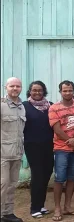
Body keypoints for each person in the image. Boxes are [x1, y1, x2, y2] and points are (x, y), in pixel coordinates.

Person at [48, 80, 74, 221]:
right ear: (60, 91)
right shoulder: (54, 108)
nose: (67, 93)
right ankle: (58, 209)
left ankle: (68, 206)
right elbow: (57, 128)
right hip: (61, 148)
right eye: (65, 90)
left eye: (70, 90)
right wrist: (71, 142)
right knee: (59, 179)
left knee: (72, 178)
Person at [22, 81, 54, 219]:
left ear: (44, 91)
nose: (37, 93)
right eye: (34, 90)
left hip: (49, 145)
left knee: (47, 173)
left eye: (40, 90)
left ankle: (41, 205)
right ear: (30, 91)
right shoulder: (24, 106)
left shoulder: (51, 105)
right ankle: (34, 207)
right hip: (32, 145)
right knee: (37, 175)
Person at [1, 77, 25, 222]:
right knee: (2, 184)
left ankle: (7, 213)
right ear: (6, 87)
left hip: (16, 152)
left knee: (12, 184)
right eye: (12, 86)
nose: (15, 89)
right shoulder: (1, 104)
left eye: (18, 86)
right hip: (2, 153)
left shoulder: (21, 106)